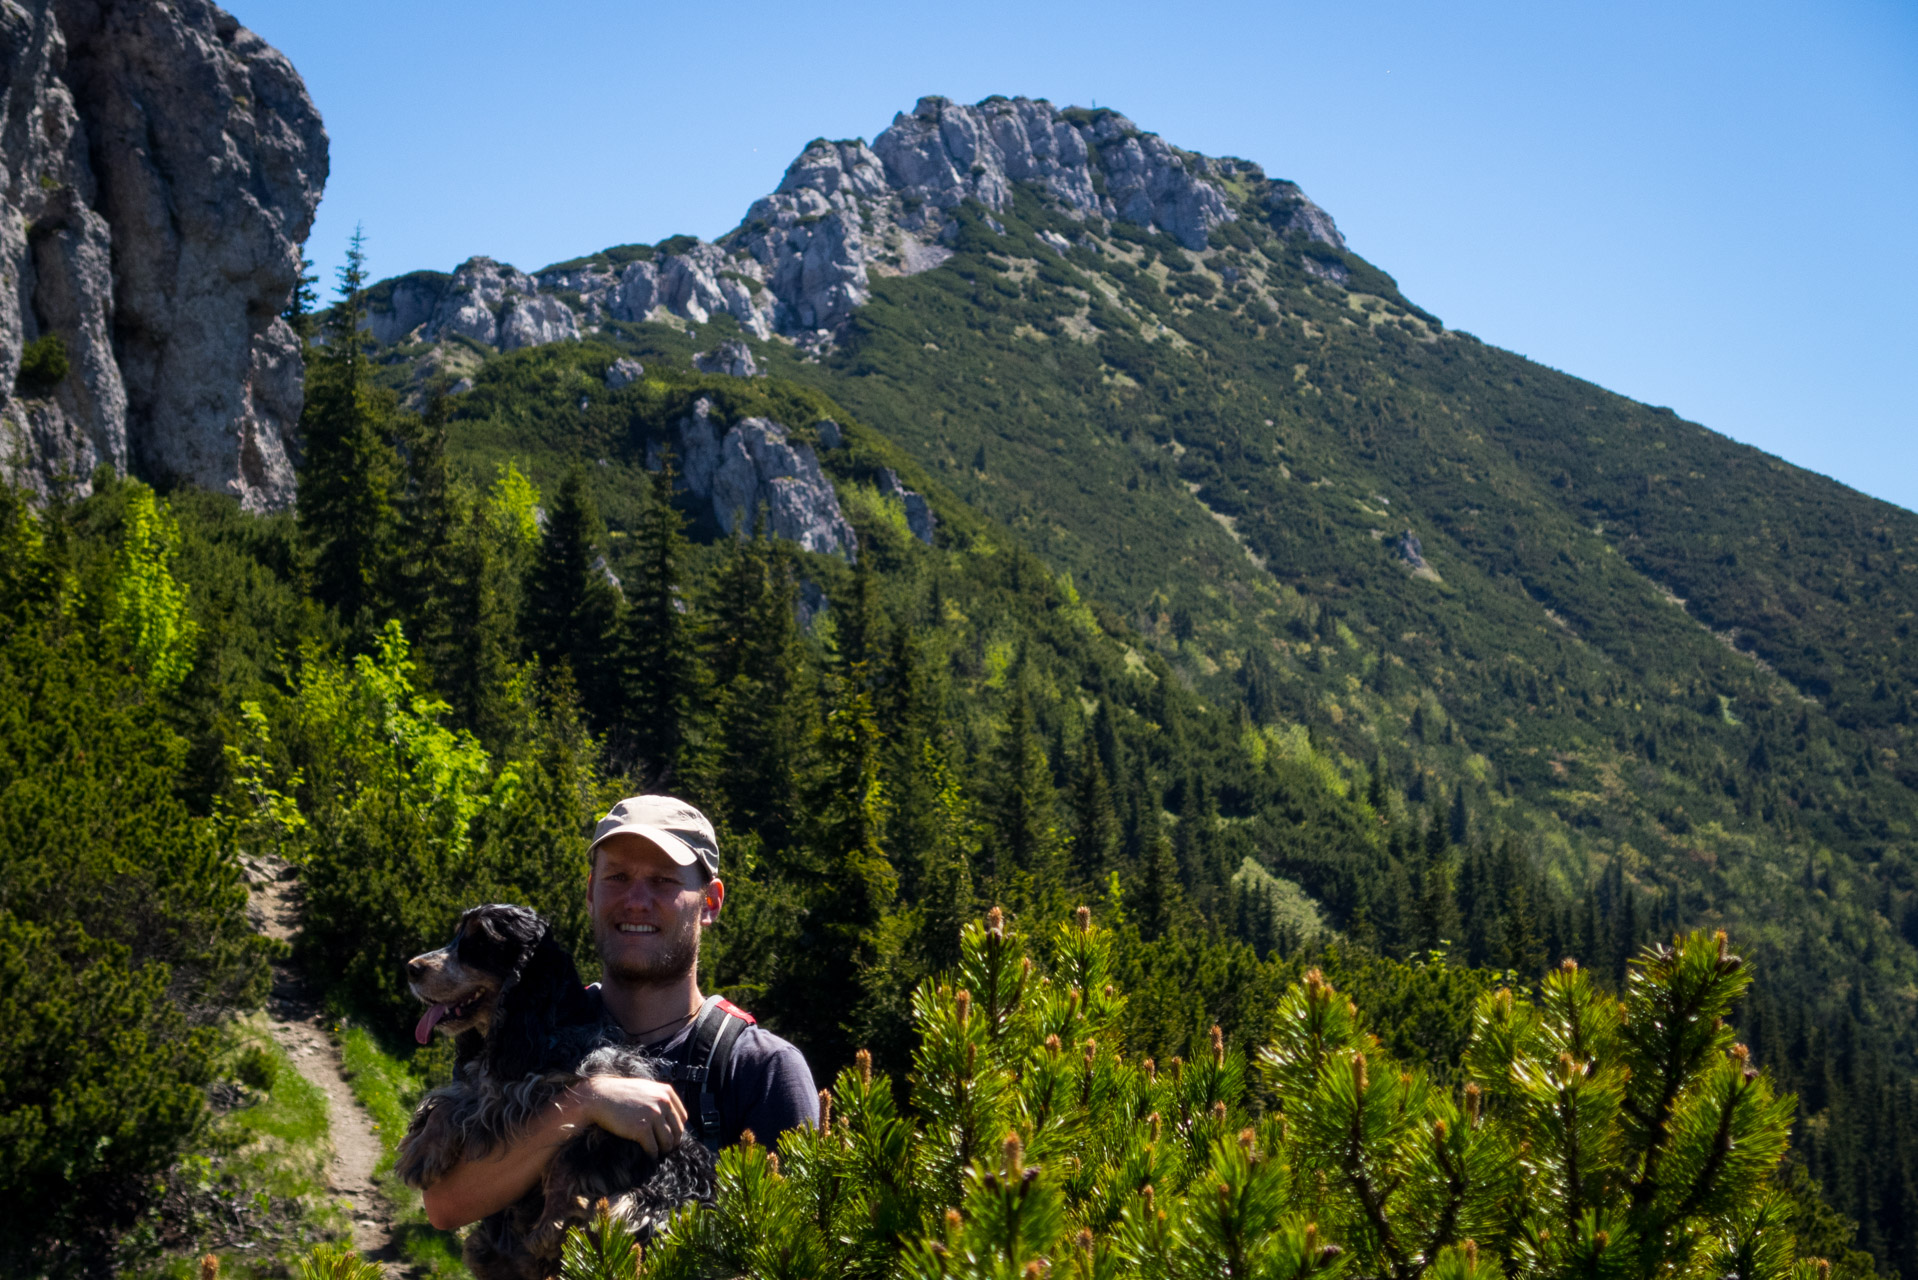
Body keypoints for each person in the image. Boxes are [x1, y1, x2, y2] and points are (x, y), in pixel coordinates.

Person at [422, 795, 818, 1231]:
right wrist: (588, 1101)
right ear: (591, 892)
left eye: (664, 880)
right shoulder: (528, 1029)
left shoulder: (761, 1069)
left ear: (710, 902)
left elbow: (792, 1251)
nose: (635, 900)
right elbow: (445, 1205)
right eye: (618, 876)